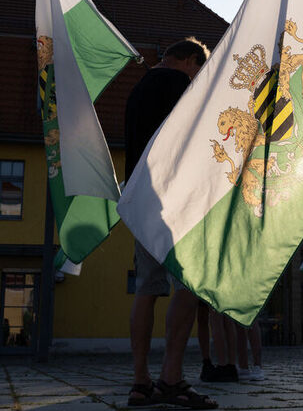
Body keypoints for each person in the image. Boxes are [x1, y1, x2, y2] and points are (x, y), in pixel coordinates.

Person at [125, 38, 217, 409]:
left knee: (147, 288)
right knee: (189, 284)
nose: (197, 78)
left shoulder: (137, 90)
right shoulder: (180, 86)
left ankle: (140, 382)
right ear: (190, 61)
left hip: (139, 197)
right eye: (199, 71)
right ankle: (172, 377)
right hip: (174, 198)